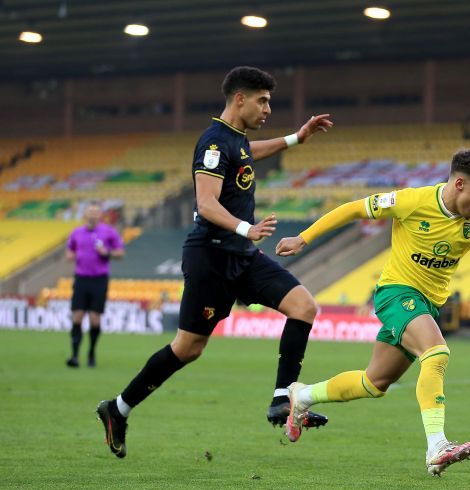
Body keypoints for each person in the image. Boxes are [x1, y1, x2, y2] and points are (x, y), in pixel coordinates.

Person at [95, 66, 334, 458]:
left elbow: (249, 154)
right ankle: (117, 409)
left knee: (304, 306)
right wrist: (246, 228)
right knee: (188, 348)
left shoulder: (236, 141)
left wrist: (296, 138)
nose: (268, 109)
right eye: (263, 101)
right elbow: (206, 204)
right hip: (211, 257)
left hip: (242, 255)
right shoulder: (212, 141)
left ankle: (282, 398)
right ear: (239, 99)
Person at [275, 148, 470, 475]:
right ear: (459, 184)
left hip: (427, 304)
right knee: (436, 353)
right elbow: (353, 209)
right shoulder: (412, 201)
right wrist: (303, 238)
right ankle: (437, 446)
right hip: (397, 293)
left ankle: (302, 395)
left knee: (374, 382)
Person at [65, 201, 125, 368]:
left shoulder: (109, 232)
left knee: (94, 319)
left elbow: (120, 252)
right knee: (77, 315)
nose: (92, 214)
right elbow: (70, 250)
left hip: (99, 279)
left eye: (95, 212)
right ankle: (75, 355)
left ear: (100, 215)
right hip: (81, 278)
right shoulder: (76, 232)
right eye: (90, 212)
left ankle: (91, 351)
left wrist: (107, 253)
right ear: (85, 214)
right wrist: (71, 256)